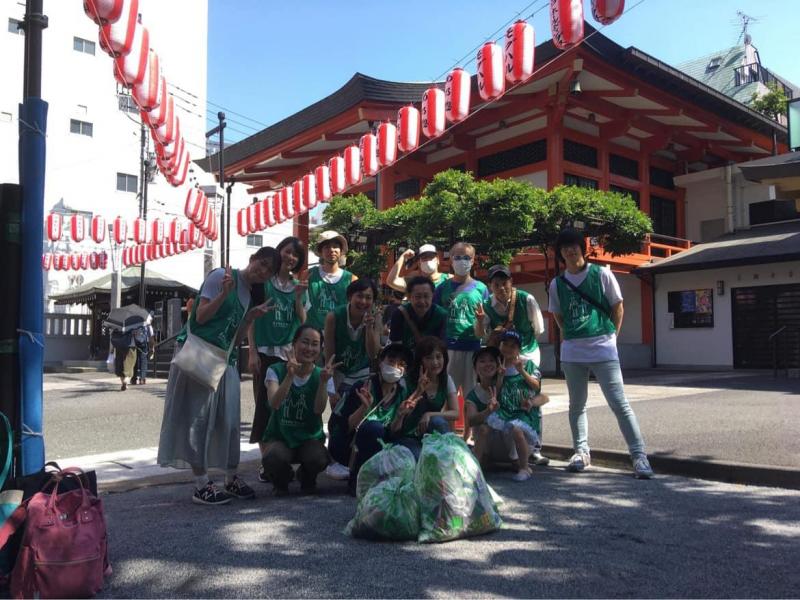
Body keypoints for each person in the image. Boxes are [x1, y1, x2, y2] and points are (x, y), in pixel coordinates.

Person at [157, 248, 279, 505]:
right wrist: (224, 293)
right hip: (200, 354)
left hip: (225, 359)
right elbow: (200, 316)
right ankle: (201, 484)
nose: (263, 271)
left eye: (269, 270)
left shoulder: (253, 293)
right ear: (253, 258)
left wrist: (252, 317)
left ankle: (230, 477)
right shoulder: (220, 277)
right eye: (263, 263)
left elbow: (238, 329)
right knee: (198, 419)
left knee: (230, 420)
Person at [548, 228, 654, 479]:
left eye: (573, 246)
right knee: (577, 404)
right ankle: (581, 451)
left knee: (619, 403)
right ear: (560, 253)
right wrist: (572, 335)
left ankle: (639, 456)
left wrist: (611, 337)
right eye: (564, 248)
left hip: (602, 346)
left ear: (581, 248)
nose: (569, 251)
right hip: (573, 350)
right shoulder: (557, 283)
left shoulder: (601, 274)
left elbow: (618, 307)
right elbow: (558, 316)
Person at [247, 236, 309, 479]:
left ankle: (280, 457)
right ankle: (266, 461)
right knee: (264, 407)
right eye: (287, 251)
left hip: (287, 356)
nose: (290, 257)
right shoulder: (264, 282)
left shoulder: (298, 287)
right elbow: (251, 318)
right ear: (279, 251)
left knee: (283, 407)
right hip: (264, 352)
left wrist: (297, 298)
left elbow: (304, 321)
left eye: (296, 255)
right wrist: (252, 350)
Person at [261, 325, 339, 496]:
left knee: (319, 458)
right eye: (305, 342)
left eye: (315, 344)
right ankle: (282, 480)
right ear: (294, 344)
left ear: (320, 349)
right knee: (272, 458)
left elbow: (319, 409)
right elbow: (274, 403)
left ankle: (306, 477)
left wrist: (324, 382)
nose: (309, 348)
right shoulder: (275, 370)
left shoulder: (323, 374)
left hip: (309, 439)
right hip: (281, 437)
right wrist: (289, 376)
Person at [327, 343, 413, 493]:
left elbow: (393, 433)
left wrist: (400, 416)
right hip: (348, 445)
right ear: (381, 362)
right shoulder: (363, 387)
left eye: (401, 364)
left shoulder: (402, 393)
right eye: (391, 361)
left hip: (382, 446)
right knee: (373, 428)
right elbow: (342, 427)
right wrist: (363, 408)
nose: (395, 367)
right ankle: (357, 480)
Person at [323, 278, 382, 479]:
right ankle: (337, 458)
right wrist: (331, 389)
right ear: (350, 296)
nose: (364, 301)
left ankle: (356, 459)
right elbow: (328, 354)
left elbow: (373, 353)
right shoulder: (334, 316)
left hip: (362, 372)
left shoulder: (374, 317)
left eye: (369, 297)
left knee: (359, 415)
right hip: (339, 372)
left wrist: (370, 328)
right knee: (338, 416)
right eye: (359, 296)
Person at [433, 242, 489, 434]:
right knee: (448, 395)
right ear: (450, 260)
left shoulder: (481, 289)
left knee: (471, 396)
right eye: (457, 257)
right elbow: (435, 318)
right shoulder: (442, 288)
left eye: (466, 257)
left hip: (473, 349)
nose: (461, 261)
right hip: (447, 348)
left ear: (473, 261)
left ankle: (469, 436)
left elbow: (485, 325)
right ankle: (446, 434)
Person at [486, 331, 550, 482]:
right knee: (493, 425)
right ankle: (501, 460)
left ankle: (524, 467)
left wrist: (521, 371)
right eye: (505, 344)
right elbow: (496, 391)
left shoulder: (527, 364)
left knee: (516, 428)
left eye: (512, 346)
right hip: (506, 410)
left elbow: (536, 387)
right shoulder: (497, 365)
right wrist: (500, 375)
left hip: (524, 410)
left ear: (519, 349)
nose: (508, 349)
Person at [391, 336, 459, 460]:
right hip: (408, 436)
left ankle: (449, 463)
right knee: (421, 460)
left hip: (430, 433)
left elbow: (455, 413)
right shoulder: (406, 381)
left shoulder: (446, 379)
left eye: (438, 357)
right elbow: (400, 415)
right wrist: (419, 390)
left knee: (438, 421)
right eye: (429, 358)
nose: (435, 362)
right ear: (420, 361)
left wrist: (429, 414)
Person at [475, 264, 545, 368]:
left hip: (528, 355)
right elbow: (480, 335)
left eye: (504, 283)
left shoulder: (526, 300)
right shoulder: (486, 306)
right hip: (504, 358)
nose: (501, 288)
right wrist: (480, 321)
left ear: (511, 281)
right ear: (490, 285)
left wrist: (523, 346)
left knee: (530, 383)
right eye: (496, 285)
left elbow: (538, 330)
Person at [304, 230, 357, 332]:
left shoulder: (351, 279)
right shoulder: (308, 275)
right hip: (313, 334)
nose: (331, 250)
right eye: (327, 247)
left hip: (339, 333)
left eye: (335, 246)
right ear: (320, 252)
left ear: (341, 251)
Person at [388, 275, 448, 356]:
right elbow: (396, 348)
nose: (422, 301)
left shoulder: (441, 315)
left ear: (432, 296)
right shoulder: (399, 314)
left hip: (430, 363)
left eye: (426, 296)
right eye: (418, 297)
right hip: (405, 362)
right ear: (409, 297)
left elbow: (441, 349)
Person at [386, 244, 450, 292]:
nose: (428, 260)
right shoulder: (414, 284)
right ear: (419, 263)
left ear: (437, 260)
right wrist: (403, 257)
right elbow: (391, 281)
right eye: (424, 258)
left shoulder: (448, 279)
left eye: (431, 257)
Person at [131, 314, 155, 385]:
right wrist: (152, 347)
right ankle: (142, 379)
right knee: (143, 361)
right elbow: (151, 337)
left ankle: (133, 379)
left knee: (135, 362)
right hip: (144, 345)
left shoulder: (134, 325)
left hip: (135, 344)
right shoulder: (148, 325)